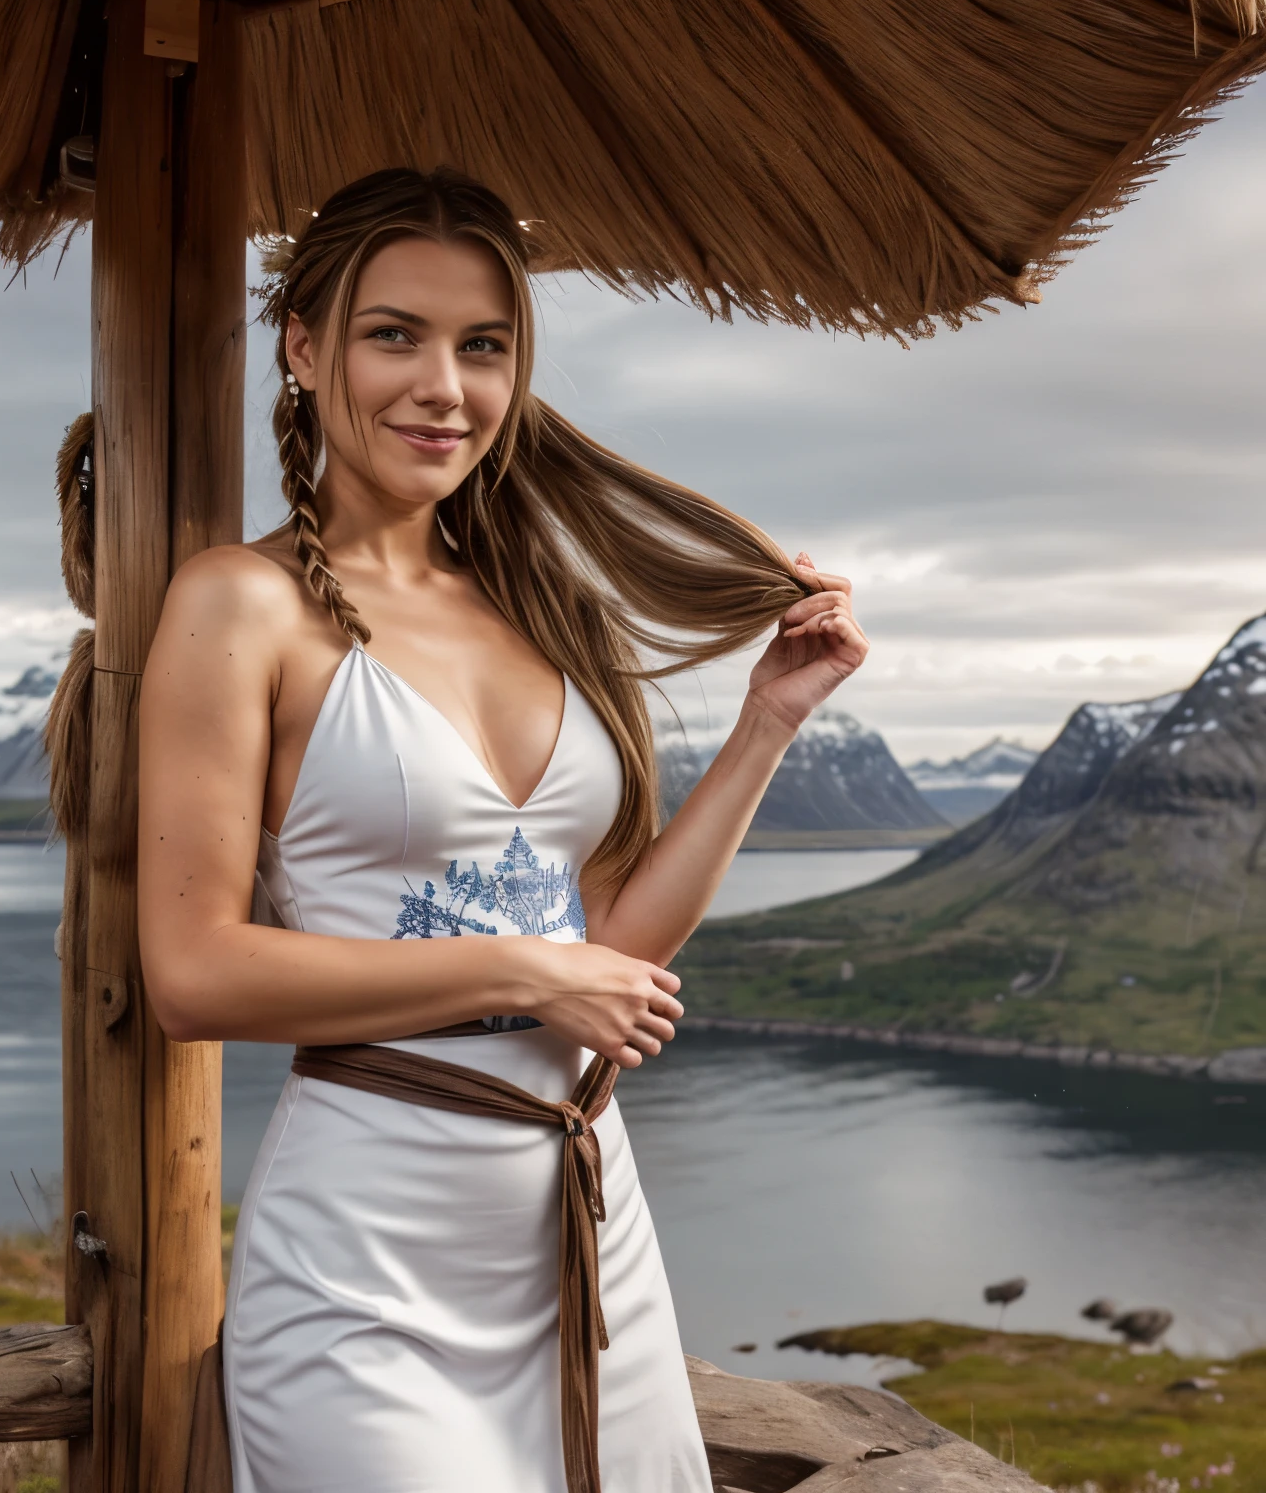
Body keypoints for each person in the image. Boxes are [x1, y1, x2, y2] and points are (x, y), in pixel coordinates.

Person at [137, 167, 867, 1493]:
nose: (444, 388)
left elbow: (613, 951)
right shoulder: (237, 604)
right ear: (301, 348)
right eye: (392, 334)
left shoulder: (547, 609)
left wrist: (769, 720)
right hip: (367, 1260)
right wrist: (526, 971)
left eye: (484, 347)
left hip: (588, 1229)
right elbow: (193, 972)